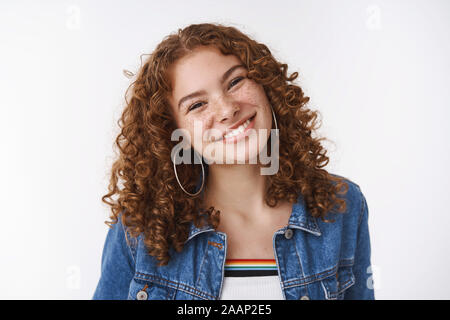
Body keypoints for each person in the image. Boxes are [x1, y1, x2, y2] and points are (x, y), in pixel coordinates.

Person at [92, 22, 375, 300]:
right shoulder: (138, 228)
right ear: (174, 133)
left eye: (236, 82)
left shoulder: (343, 206)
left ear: (266, 86)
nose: (228, 109)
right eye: (197, 105)